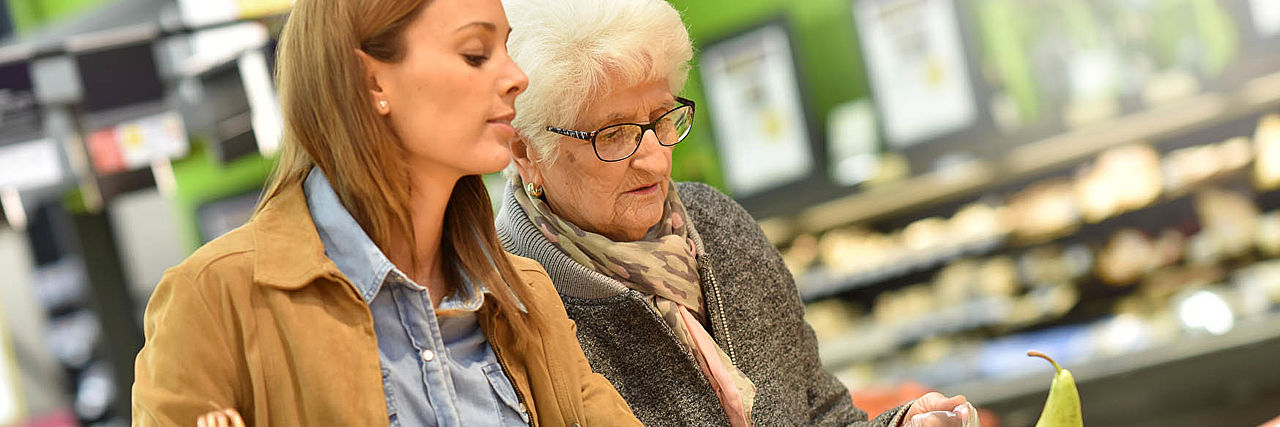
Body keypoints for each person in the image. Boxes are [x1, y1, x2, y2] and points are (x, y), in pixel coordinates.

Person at [131, 0, 640, 425]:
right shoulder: (215, 302)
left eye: (506, 47)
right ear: (371, 81)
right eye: (475, 53)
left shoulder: (523, 292)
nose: (516, 76)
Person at [495, 0, 967, 425]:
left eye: (662, 118)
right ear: (526, 150)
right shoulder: (509, 309)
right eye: (614, 134)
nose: (656, 158)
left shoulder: (719, 226)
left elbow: (822, 412)